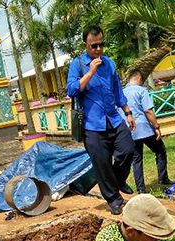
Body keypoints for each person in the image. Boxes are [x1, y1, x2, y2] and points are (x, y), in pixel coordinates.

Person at [66, 25, 136, 215]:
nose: (98, 49)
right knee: (101, 162)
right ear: (86, 45)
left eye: (100, 45)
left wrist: (128, 112)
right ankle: (114, 199)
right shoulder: (77, 64)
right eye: (93, 46)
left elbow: (118, 92)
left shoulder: (109, 63)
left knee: (128, 150)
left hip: (113, 119)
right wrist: (90, 73)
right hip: (92, 125)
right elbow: (71, 90)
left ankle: (118, 180)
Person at [122, 69, 173, 194]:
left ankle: (141, 189)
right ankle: (163, 178)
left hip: (130, 131)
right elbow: (148, 111)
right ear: (139, 79)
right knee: (160, 151)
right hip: (145, 130)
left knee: (137, 160)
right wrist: (156, 126)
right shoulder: (141, 91)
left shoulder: (122, 93)